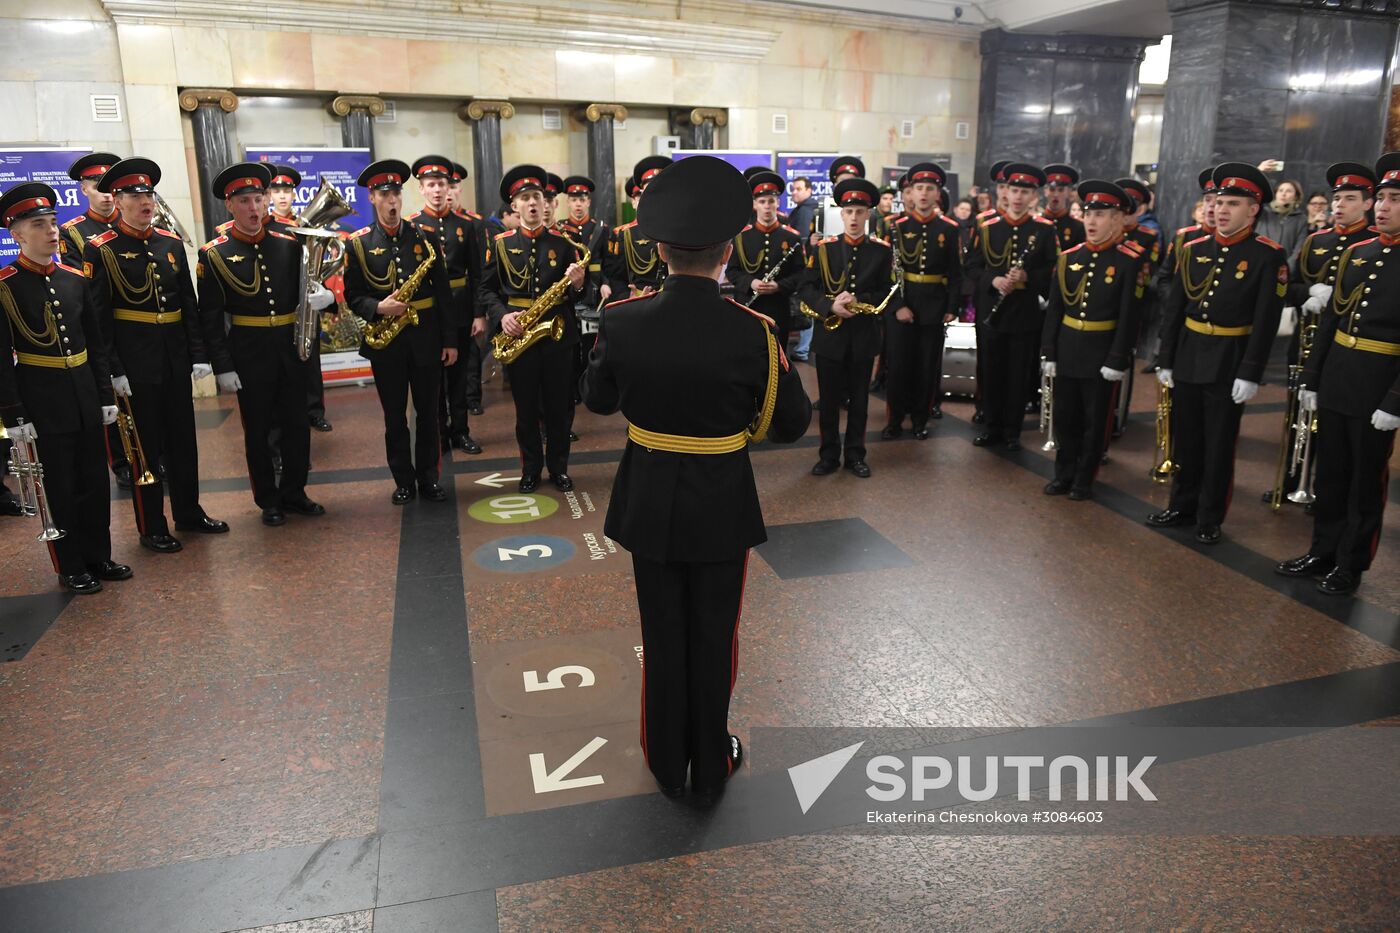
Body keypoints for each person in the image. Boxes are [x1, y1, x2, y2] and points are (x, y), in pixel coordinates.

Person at [581, 155, 811, 804]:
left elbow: (598, 401)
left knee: (662, 632)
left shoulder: (622, 320)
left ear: (656, 249)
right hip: (720, 499)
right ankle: (711, 762)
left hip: (649, 496)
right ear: (730, 249)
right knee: (714, 635)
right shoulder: (755, 330)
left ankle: (664, 760)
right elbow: (789, 424)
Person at [85, 157, 228, 551]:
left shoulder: (168, 244)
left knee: (184, 442)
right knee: (144, 448)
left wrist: (199, 354)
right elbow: (98, 320)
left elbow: (188, 302)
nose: (145, 200)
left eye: (148, 193)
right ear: (117, 199)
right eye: (135, 194)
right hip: (135, 364)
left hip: (174, 359)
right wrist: (113, 369)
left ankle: (189, 512)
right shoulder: (101, 250)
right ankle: (152, 526)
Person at [1277, 152, 1400, 596]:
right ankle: (1322, 550)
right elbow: (1333, 321)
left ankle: (1351, 562)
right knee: (1330, 473)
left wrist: (1395, 400)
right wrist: (1312, 377)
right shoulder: (1357, 253)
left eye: (1394, 199)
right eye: (1382, 197)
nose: (1384, 206)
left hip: (1377, 384)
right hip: (1338, 378)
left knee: (1365, 480)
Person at [0, 182, 130, 593]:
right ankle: (70, 564)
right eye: (39, 225)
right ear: (17, 234)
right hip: (42, 400)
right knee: (61, 486)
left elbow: (96, 344)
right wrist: (13, 413)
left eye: (53, 223)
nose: (52, 232)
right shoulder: (5, 286)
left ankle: (99, 555)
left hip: (85, 395)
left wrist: (105, 396)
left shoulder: (75, 279)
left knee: (94, 481)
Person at [1149, 162, 1287, 545]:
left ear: (1253, 210)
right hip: (1191, 353)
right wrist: (1167, 357)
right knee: (1186, 437)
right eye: (1218, 201)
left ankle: (1210, 515)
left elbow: (1266, 319)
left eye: (1232, 203)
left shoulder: (1267, 256)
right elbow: (1175, 309)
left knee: (1219, 443)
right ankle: (1182, 504)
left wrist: (1251, 371)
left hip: (1230, 357)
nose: (1221, 209)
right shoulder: (1192, 249)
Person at [197, 163, 328, 526]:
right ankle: (268, 499)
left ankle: (295, 491)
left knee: (297, 425)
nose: (255, 209)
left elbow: (305, 291)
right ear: (230, 205)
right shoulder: (214, 254)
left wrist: (322, 296)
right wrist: (221, 365)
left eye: (259, 199)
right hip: (249, 351)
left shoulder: (288, 245)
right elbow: (210, 316)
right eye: (245, 201)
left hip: (291, 347)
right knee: (257, 430)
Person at [342, 159, 459, 505]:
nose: (392, 201)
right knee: (394, 417)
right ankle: (403, 481)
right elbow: (352, 295)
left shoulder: (425, 237)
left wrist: (450, 340)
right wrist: (379, 307)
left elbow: (443, 294)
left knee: (429, 415)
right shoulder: (358, 244)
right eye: (384, 194)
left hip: (425, 338)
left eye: (396, 193)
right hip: (386, 343)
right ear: (372, 198)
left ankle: (429, 478)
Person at [482, 163, 585, 493]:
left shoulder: (566, 242)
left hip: (558, 334)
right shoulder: (499, 243)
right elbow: (486, 290)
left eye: (537, 197)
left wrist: (579, 285)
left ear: (547, 203)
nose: (532, 203)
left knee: (559, 408)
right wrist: (501, 315)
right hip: (519, 334)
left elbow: (584, 291)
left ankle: (559, 468)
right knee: (525, 410)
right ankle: (530, 469)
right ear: (514, 206)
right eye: (525, 198)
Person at [1040, 181, 1146, 500]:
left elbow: (1130, 315)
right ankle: (1064, 473)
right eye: (1088, 214)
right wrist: (1049, 351)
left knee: (1095, 420)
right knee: (1064, 417)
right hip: (1069, 347)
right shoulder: (1069, 257)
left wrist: (1118, 358)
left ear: (1117, 219)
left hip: (1102, 352)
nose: (1091, 221)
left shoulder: (1130, 260)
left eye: (1100, 215)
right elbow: (1056, 309)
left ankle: (1084, 478)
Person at [797, 176, 898, 478]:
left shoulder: (881, 251)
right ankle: (828, 454)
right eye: (849, 211)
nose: (854, 217)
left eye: (860, 212)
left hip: (863, 335)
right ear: (840, 214)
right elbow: (806, 287)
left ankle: (855, 454)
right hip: (830, 336)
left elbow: (888, 291)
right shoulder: (824, 249)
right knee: (828, 400)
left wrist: (860, 299)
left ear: (869, 215)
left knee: (860, 400)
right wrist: (830, 306)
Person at [964, 162, 1058, 449]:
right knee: (991, 370)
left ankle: (1012, 431)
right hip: (992, 310)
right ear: (1005, 191)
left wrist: (1028, 277)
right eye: (1014, 190)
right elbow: (971, 267)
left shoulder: (1044, 229)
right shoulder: (986, 225)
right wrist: (993, 281)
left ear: (1033, 197)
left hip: (1024, 314)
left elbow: (1053, 271)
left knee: (1018, 373)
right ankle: (991, 426)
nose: (1017, 197)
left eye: (1024, 192)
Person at [59, 151, 131, 490]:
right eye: (95, 186)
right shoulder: (73, 232)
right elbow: (78, 282)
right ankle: (121, 461)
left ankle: (153, 453)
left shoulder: (133, 221)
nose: (104, 194)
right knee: (111, 396)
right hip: (101, 324)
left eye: (108, 186)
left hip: (137, 322)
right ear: (83, 189)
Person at [407, 154, 485, 455]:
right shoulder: (413, 226)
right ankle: (438, 432)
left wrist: (479, 313)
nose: (438, 190)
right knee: (432, 376)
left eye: (442, 183)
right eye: (431, 185)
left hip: (462, 309)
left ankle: (460, 431)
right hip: (429, 313)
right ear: (422, 189)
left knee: (461, 373)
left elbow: (478, 274)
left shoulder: (466, 226)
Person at [883, 162, 961, 437]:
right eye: (919, 188)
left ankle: (920, 420)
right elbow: (885, 273)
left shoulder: (949, 229)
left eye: (930, 188)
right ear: (911, 193)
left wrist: (952, 307)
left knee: (926, 367)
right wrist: (897, 306)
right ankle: (894, 420)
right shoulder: (895, 227)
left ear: (938, 194)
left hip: (934, 305)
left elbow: (955, 271)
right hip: (902, 302)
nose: (924, 193)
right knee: (898, 366)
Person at [725, 170, 804, 352]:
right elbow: (733, 271)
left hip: (778, 307)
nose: (767, 206)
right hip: (748, 306)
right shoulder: (741, 237)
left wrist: (780, 286)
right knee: (748, 353)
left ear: (778, 203)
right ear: (754, 205)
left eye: (771, 201)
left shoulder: (791, 237)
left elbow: (800, 274)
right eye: (762, 202)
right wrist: (751, 282)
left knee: (779, 355)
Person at [608, 156, 671, 297]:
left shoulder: (679, 230)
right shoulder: (626, 235)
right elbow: (616, 278)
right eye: (649, 191)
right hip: (639, 303)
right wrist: (628, 296)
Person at [1257, 177, 1309, 259]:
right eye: (1280, 190)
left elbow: (1298, 249)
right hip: (1258, 264)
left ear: (1296, 196)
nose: (1283, 194)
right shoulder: (1263, 212)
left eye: (1288, 191)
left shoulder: (1301, 219)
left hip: (1284, 267)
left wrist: (1287, 269)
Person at [1041, 164, 1086, 252]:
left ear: (1069, 192)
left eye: (1061, 190)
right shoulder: (1036, 223)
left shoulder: (1078, 226)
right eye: (1052, 190)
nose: (1056, 195)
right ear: (1045, 191)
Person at [786, 175, 818, 240]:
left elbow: (802, 239)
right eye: (792, 189)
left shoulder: (805, 210)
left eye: (798, 189)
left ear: (808, 191)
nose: (794, 192)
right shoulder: (801, 208)